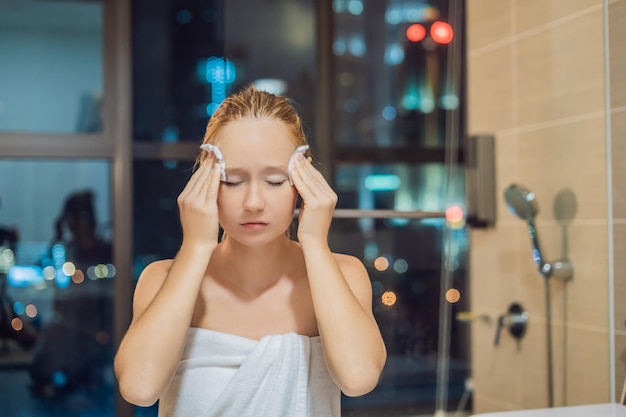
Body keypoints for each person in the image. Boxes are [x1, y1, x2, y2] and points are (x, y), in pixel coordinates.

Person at [114, 86, 387, 416]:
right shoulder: (161, 279)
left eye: (274, 181)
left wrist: (315, 242)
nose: (254, 203)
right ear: (207, 177)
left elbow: (358, 379)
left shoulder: (343, 275)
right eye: (233, 181)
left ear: (303, 180)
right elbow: (139, 389)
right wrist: (196, 246)